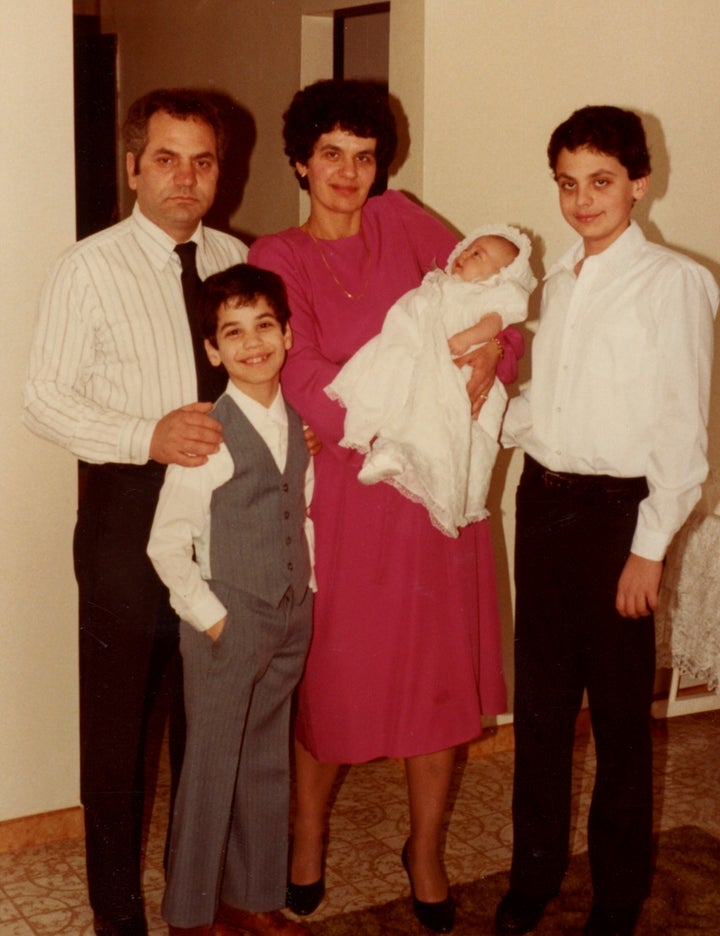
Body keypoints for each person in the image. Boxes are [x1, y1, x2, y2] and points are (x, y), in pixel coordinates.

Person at [249, 78, 523, 934]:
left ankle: (428, 851)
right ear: (301, 161)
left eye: (364, 156)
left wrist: (494, 359)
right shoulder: (277, 255)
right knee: (334, 678)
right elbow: (294, 373)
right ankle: (306, 838)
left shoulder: (406, 220)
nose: (349, 172)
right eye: (330, 154)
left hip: (433, 498)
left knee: (438, 684)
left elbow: (489, 304)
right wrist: (387, 418)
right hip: (348, 495)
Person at [23, 89, 249, 936]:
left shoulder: (235, 255)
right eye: (166, 158)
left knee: (206, 712)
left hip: (220, 514)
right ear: (132, 166)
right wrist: (143, 435)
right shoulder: (88, 266)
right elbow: (43, 399)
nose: (185, 178)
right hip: (127, 511)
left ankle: (191, 891)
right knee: (119, 724)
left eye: (202, 161)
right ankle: (116, 908)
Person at [495, 106, 718, 936]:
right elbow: (549, 409)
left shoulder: (676, 283)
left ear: (638, 184)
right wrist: (490, 405)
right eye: (566, 183)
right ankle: (535, 875)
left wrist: (649, 550)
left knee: (622, 719)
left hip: (618, 516)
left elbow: (680, 432)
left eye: (600, 181)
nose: (582, 200)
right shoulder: (555, 284)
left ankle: (619, 895)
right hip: (543, 503)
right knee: (542, 713)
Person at [147, 263, 315, 936]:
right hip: (229, 620)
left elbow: (298, 511)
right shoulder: (209, 433)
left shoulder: (296, 425)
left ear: (287, 335)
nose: (253, 344)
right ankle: (190, 915)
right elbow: (167, 545)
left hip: (288, 614)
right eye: (233, 333)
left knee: (266, 762)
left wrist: (309, 591)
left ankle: (251, 898)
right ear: (213, 350)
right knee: (212, 771)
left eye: (265, 326)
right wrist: (214, 621)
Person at [326, 225, 536, 536]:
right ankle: (390, 450)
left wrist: (471, 338)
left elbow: (495, 322)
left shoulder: (485, 296)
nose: (464, 254)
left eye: (477, 254)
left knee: (442, 423)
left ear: (499, 276)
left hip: (458, 369)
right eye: (467, 248)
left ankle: (430, 474)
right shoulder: (437, 285)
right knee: (406, 400)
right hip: (425, 361)